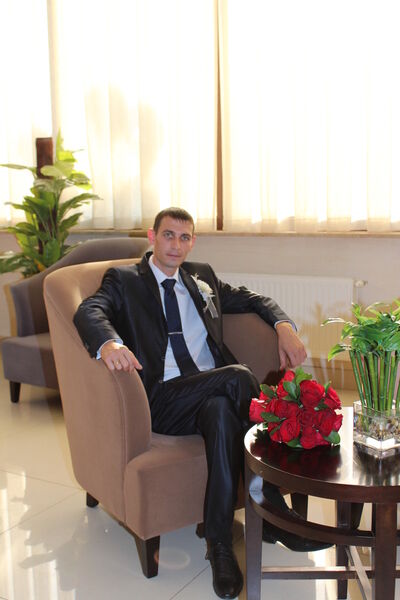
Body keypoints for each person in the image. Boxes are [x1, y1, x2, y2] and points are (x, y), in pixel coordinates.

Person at [73, 207, 327, 600]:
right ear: (152, 237)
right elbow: (89, 309)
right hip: (163, 398)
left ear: (193, 242)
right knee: (239, 377)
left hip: (211, 392)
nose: (176, 245)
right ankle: (272, 505)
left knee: (223, 413)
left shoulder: (201, 277)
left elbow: (255, 299)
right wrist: (109, 343)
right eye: (168, 235)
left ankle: (219, 545)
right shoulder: (125, 280)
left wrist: (284, 327)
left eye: (184, 237)